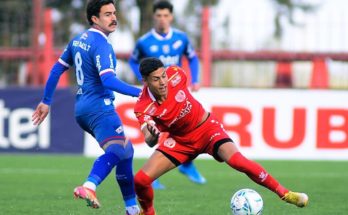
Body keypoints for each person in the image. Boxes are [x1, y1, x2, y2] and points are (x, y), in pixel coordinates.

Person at [133, 57, 309, 215]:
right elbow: (148, 139)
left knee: (239, 161)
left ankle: (285, 194)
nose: (163, 82)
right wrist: (154, 137)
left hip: (207, 129)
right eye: (156, 79)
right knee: (140, 180)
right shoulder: (143, 107)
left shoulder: (176, 74)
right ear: (145, 81)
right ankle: (148, 212)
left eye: (163, 75)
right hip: (180, 142)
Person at [32, 1, 141, 214]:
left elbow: (56, 70)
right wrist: (142, 92)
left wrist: (46, 101)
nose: (113, 18)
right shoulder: (102, 44)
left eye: (114, 13)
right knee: (118, 149)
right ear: (94, 18)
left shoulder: (78, 40)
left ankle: (132, 209)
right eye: (107, 14)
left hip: (82, 108)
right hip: (99, 107)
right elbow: (108, 80)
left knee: (126, 151)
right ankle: (89, 186)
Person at [128, 0, 205, 189]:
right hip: (157, 94)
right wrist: (143, 80)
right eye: (159, 15)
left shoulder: (181, 38)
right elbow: (132, 61)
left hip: (177, 91)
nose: (162, 19)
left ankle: (186, 165)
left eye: (166, 15)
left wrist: (195, 79)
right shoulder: (144, 42)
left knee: (190, 128)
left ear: (171, 17)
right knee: (160, 131)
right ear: (154, 17)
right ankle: (154, 175)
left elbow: (193, 58)